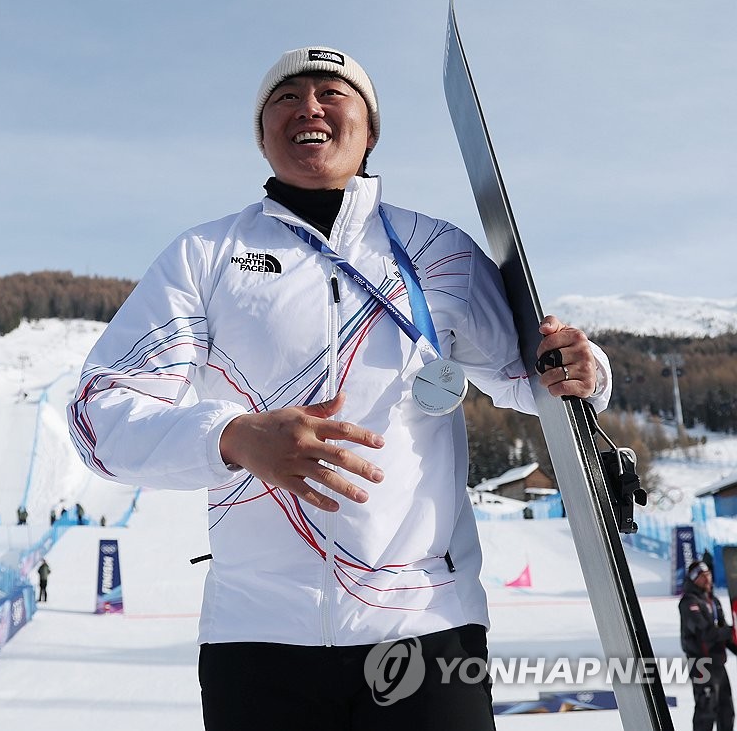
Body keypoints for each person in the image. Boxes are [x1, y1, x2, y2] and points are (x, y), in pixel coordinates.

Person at [67, 46, 612, 728]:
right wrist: (232, 438)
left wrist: (584, 369)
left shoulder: (439, 252)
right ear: (262, 134)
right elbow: (99, 418)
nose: (309, 108)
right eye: (286, 97)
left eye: (332, 93)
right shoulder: (204, 256)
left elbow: (532, 381)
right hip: (258, 636)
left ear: (370, 128)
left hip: (426, 621)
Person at [680, 559, 737, 731]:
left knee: (726, 713)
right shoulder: (689, 602)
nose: (707, 579)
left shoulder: (713, 601)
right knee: (706, 712)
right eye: (702, 576)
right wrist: (731, 630)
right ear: (694, 579)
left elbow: (724, 635)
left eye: (708, 575)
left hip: (718, 664)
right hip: (701, 664)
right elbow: (705, 633)